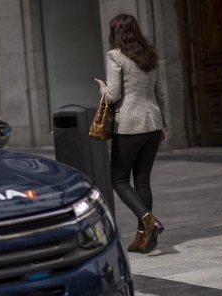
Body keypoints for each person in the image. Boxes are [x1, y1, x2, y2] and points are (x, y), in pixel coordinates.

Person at [93, 14, 166, 255]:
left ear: (115, 33)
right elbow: (160, 93)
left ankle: (148, 220)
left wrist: (102, 86)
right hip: (153, 124)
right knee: (142, 179)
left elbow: (113, 95)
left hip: (129, 126)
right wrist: (162, 125)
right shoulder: (150, 54)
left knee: (119, 179)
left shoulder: (115, 55)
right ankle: (142, 240)